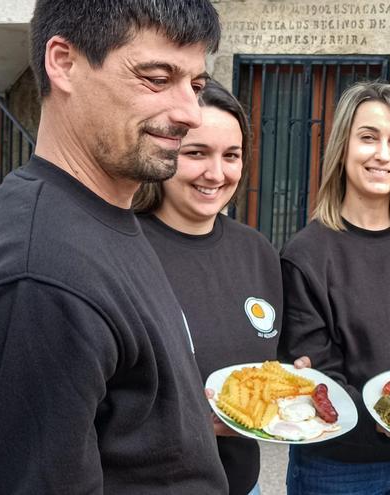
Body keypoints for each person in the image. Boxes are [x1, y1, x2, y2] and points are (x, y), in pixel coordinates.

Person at [0, 1, 228, 493]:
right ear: (63, 62)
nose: (190, 113)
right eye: (157, 77)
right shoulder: (40, 278)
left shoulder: (101, 213)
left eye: (195, 85)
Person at [278, 81, 390, 495]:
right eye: (368, 138)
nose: (383, 154)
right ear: (343, 147)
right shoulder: (307, 254)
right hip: (337, 466)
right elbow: (317, 369)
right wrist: (384, 418)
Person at [132, 78, 281, 495]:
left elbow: (270, 364)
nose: (216, 174)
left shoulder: (258, 252)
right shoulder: (123, 248)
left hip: (242, 484)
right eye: (196, 153)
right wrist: (192, 419)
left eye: (231, 156)